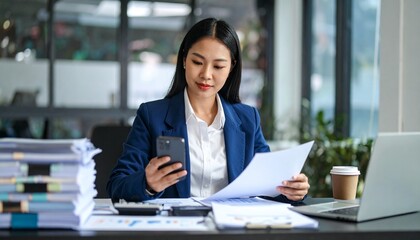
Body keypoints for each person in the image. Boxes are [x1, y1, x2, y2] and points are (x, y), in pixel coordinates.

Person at [107, 18, 309, 203]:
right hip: (178, 228)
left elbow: (268, 184)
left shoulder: (248, 119)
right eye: (197, 62)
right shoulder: (152, 116)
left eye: (218, 66)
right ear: (184, 59)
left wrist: (291, 190)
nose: (206, 75)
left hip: (231, 228)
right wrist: (148, 184)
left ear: (231, 67)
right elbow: (117, 186)